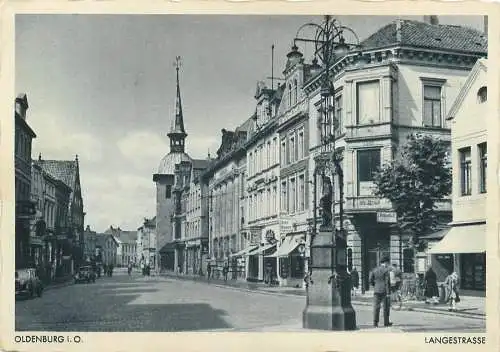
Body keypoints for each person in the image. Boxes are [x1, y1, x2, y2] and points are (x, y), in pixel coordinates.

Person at [369, 256, 392, 327]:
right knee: (386, 307)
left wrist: (375, 285)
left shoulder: (374, 270)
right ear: (385, 262)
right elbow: (387, 282)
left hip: (376, 290)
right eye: (388, 263)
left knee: (376, 307)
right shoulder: (386, 271)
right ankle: (386, 322)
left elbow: (370, 280)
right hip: (384, 291)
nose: (388, 264)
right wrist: (388, 293)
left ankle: (375, 323)